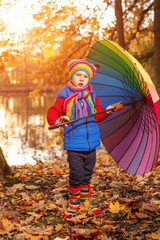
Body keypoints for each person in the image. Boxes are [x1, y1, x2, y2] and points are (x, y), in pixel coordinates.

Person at [47, 59, 124, 218]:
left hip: (92, 143)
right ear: (71, 77)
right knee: (76, 174)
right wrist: (59, 120)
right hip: (74, 144)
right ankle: (74, 203)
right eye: (78, 74)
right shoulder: (64, 95)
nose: (82, 78)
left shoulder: (92, 95)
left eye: (85, 76)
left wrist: (109, 110)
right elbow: (52, 111)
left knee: (87, 173)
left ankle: (85, 201)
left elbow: (98, 115)